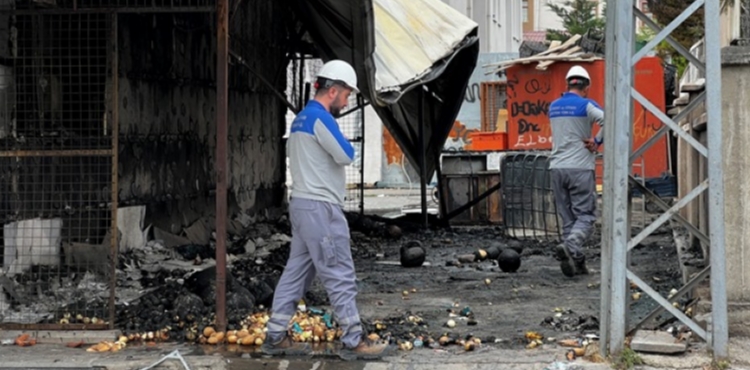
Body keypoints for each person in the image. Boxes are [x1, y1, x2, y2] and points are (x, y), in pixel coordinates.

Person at [261, 60, 392, 360]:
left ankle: (275, 336)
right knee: (339, 273)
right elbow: (346, 154)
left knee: (295, 274)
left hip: (302, 206)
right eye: (346, 94)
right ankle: (353, 341)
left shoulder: (299, 119)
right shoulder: (320, 118)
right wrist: (348, 145)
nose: (346, 101)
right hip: (322, 210)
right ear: (333, 90)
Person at [548, 65, 604, 277]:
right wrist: (597, 140)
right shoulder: (586, 105)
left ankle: (577, 263)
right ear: (586, 87)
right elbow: (609, 119)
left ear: (568, 84)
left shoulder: (553, 106)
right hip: (580, 168)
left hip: (556, 168)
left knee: (569, 218)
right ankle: (571, 247)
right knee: (586, 216)